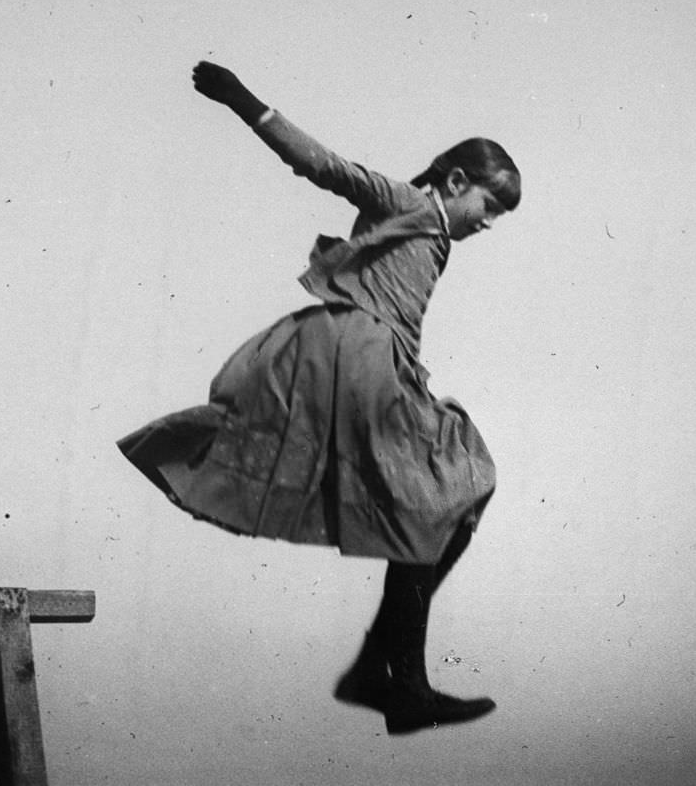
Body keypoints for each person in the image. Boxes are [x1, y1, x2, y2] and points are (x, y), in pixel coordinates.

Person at [119, 61, 520, 734]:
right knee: (457, 482)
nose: (487, 224)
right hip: (355, 361)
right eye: (487, 206)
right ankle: (395, 676)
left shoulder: (435, 230)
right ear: (456, 182)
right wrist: (243, 100)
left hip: (381, 367)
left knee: (449, 495)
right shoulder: (413, 201)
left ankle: (379, 670)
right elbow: (324, 165)